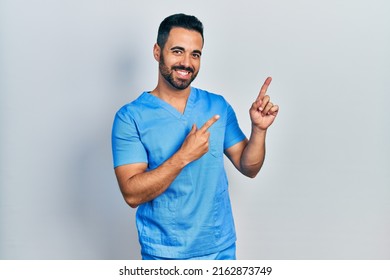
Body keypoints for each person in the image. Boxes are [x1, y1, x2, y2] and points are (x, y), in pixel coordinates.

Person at [111, 13, 279, 260]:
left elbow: (249, 166)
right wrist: (183, 156)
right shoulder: (130, 117)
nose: (187, 62)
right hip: (165, 254)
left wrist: (259, 130)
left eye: (195, 54)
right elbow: (132, 194)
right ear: (157, 52)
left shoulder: (217, 106)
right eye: (177, 51)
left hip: (220, 249)